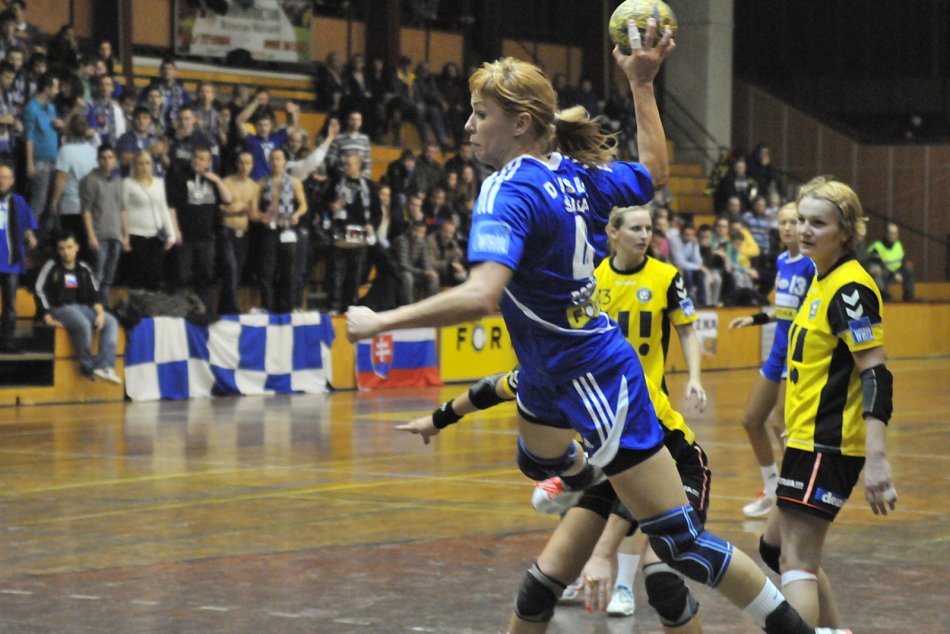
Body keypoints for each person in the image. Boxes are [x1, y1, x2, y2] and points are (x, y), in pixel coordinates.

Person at [347, 22, 846, 634]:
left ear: (520, 124)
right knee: (538, 463)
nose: (468, 125)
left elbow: (481, 295)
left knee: (681, 546)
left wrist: (381, 321)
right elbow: (656, 172)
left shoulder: (509, 191)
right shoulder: (573, 174)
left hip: (595, 378)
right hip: (549, 371)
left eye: (480, 114)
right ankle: (588, 476)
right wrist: (642, 85)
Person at [398, 369, 709, 634]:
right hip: (608, 469)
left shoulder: (612, 376)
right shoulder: (548, 364)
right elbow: (492, 389)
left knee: (661, 580)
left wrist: (602, 555)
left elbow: (639, 480)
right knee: (539, 585)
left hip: (674, 467)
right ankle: (574, 471)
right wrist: (437, 420)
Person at [759, 176, 896, 626]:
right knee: (775, 548)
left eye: (818, 223)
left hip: (828, 443)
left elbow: (874, 372)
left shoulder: (850, 288)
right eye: (801, 219)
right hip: (804, 440)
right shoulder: (819, 280)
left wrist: (877, 457)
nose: (804, 230)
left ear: (846, 231)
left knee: (795, 560)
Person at [727, 202, 815, 518]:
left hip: (798, 352)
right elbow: (785, 309)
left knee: (781, 423)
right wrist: (755, 318)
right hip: (778, 349)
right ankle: (772, 487)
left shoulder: (811, 265)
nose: (788, 227)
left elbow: (812, 309)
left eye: (794, 221)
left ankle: (796, 497)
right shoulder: (781, 261)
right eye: (783, 222)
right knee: (751, 420)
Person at [34, 231, 120, 383]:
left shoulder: (83, 268)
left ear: (77, 248)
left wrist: (100, 313)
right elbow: (38, 290)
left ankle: (105, 366)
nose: (65, 252)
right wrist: (46, 316)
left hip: (83, 308)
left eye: (69, 247)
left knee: (111, 321)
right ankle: (88, 369)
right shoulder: (52, 266)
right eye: (61, 248)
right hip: (59, 308)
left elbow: (95, 294)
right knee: (83, 324)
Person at [165, 145, 232, 314]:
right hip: (185, 236)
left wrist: (217, 180)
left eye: (202, 159)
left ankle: (205, 312)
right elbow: (171, 206)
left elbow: (228, 199)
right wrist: (175, 230)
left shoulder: (212, 180)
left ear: (208, 162)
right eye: (195, 157)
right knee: (181, 276)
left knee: (205, 277)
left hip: (206, 238)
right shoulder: (180, 177)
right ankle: (179, 311)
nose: (197, 161)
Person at [254, 147, 306, 313]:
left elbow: (303, 205)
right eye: (273, 159)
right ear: (269, 162)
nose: (275, 162)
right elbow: (254, 207)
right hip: (269, 228)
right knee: (266, 270)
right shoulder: (262, 182)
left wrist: (296, 214)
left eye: (279, 159)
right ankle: (268, 306)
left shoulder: (294, 182)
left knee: (288, 270)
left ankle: (287, 306)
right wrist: (260, 216)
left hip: (287, 228)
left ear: (285, 161)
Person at [80, 143, 128, 306]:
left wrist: (125, 235)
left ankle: (105, 308)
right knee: (97, 277)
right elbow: (86, 210)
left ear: (115, 159)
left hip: (116, 235)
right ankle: (95, 308)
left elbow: (122, 209)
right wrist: (91, 235)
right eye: (103, 158)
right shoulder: (90, 180)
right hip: (99, 235)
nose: (107, 161)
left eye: (110, 157)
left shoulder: (118, 180)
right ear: (98, 159)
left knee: (108, 279)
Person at [122, 150, 175, 292]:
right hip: (136, 235)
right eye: (140, 163)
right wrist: (124, 236)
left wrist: (171, 234)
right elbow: (122, 210)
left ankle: (152, 302)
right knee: (138, 276)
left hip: (156, 236)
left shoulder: (159, 183)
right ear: (134, 166)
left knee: (155, 275)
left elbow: (163, 208)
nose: (144, 167)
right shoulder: (127, 183)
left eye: (147, 163)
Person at [0, 163, 36, 353]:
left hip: (10, 261)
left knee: (10, 304)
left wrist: (30, 237)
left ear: (12, 181)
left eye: (5, 177)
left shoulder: (18, 201)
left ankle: (7, 341)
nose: (1, 181)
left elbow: (26, 226)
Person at [49, 112, 97, 249]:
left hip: (71, 205)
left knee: (71, 244)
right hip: (90, 205)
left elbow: (61, 178)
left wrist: (54, 202)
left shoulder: (66, 150)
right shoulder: (93, 150)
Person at [219, 151, 258, 315]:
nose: (244, 166)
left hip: (244, 232)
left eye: (248, 163)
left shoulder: (254, 186)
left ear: (252, 165)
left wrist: (268, 216)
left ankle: (225, 306)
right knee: (231, 268)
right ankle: (231, 307)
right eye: (241, 162)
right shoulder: (226, 182)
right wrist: (236, 211)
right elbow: (219, 207)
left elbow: (253, 214)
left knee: (237, 270)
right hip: (227, 230)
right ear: (236, 164)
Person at [866, 221, 915, 302]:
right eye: (890, 233)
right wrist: (894, 274)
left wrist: (898, 273)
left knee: (909, 271)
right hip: (885, 273)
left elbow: (902, 261)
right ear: (886, 233)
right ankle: (884, 297)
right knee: (878, 272)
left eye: (895, 233)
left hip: (897, 271)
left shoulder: (899, 245)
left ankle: (909, 298)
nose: (893, 236)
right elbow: (876, 265)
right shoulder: (877, 246)